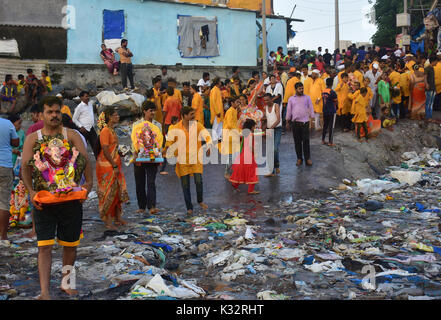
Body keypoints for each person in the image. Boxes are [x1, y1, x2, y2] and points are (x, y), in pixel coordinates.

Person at [21, 95, 92, 299]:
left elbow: (86, 160)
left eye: (57, 112)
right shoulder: (33, 139)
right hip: (44, 201)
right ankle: (44, 292)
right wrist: (32, 192)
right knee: (44, 246)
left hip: (70, 200)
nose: (54, 115)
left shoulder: (72, 135)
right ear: (42, 114)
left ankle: (66, 284)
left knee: (70, 245)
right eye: (50, 112)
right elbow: (25, 168)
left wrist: (88, 185)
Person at [164, 107, 212, 215]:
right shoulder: (175, 128)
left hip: (196, 159)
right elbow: (169, 141)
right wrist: (167, 150)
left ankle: (200, 201)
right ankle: (189, 207)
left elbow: (207, 135)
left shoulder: (197, 125)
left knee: (198, 180)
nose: (194, 116)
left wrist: (209, 146)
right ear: (184, 116)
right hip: (182, 161)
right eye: (191, 114)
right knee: (185, 185)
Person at [96, 107, 129, 230]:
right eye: (115, 115)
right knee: (108, 192)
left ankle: (117, 217)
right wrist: (113, 164)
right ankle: (108, 221)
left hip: (114, 163)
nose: (118, 117)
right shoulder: (105, 131)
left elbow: (112, 147)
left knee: (117, 191)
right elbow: (105, 149)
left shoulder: (112, 130)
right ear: (109, 117)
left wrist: (120, 154)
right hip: (107, 165)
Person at [131, 101, 163, 215]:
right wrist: (134, 154)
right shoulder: (136, 125)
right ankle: (141, 206)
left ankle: (152, 206)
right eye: (150, 111)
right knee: (139, 182)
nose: (153, 113)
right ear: (144, 111)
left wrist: (158, 153)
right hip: (139, 156)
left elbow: (159, 141)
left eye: (154, 111)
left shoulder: (157, 125)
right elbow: (134, 141)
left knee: (151, 182)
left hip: (152, 157)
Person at [286, 82, 315, 166]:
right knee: (297, 142)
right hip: (295, 123)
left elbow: (311, 108)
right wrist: (287, 122)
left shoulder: (307, 98)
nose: (301, 90)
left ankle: (307, 158)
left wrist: (312, 120)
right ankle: (299, 158)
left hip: (305, 122)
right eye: (299, 89)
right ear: (296, 89)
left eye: (302, 88)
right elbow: (289, 110)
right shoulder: (291, 99)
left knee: (306, 141)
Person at [0, 116, 19, 241]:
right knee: (3, 202)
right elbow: (16, 142)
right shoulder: (7, 124)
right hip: (5, 165)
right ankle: (3, 236)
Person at [229, 119, 259, 194]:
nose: (254, 128)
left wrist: (239, 122)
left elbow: (238, 133)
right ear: (251, 127)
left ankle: (235, 184)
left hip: (243, 154)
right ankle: (251, 190)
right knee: (252, 171)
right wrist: (255, 152)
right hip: (249, 155)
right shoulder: (250, 134)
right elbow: (250, 146)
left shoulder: (244, 133)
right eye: (254, 126)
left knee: (241, 169)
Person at [72, 91, 98, 158]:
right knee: (82, 148)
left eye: (88, 96)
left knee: (96, 146)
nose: (88, 97)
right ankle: (82, 163)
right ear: (81, 98)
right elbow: (74, 119)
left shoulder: (90, 104)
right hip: (84, 130)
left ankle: (99, 162)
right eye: (86, 96)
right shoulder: (79, 107)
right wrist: (81, 126)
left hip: (91, 128)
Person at [222, 97, 241, 179]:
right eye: (237, 102)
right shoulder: (230, 111)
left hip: (233, 135)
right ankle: (227, 173)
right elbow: (230, 124)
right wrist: (238, 131)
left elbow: (234, 124)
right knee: (231, 156)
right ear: (232, 103)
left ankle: (232, 172)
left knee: (235, 155)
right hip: (229, 136)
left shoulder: (234, 110)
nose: (238, 103)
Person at [263, 93, 282, 176]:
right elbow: (265, 119)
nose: (266, 102)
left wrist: (271, 128)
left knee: (275, 149)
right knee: (270, 150)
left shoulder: (276, 106)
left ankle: (276, 165)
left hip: (277, 129)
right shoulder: (265, 108)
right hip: (269, 130)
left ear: (271, 99)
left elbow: (278, 120)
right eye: (265, 100)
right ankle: (271, 171)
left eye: (267, 100)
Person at [322, 78, 338, 146]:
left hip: (325, 110)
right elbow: (336, 101)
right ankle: (330, 142)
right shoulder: (332, 92)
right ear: (332, 83)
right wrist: (337, 107)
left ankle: (323, 140)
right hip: (331, 110)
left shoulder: (323, 91)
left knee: (325, 125)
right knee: (331, 126)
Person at [425, 55, 437, 121]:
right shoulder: (427, 68)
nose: (436, 63)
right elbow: (425, 77)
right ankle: (428, 117)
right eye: (436, 61)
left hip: (433, 88)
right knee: (428, 103)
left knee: (431, 103)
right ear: (434, 61)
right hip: (429, 88)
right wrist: (426, 84)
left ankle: (430, 116)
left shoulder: (432, 68)